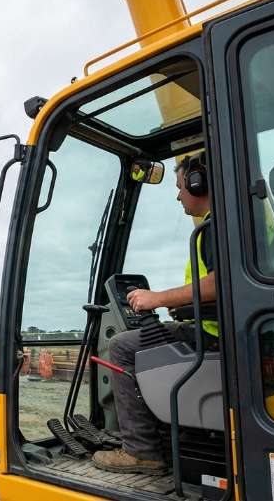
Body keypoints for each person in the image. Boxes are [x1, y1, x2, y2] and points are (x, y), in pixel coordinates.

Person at [93, 153, 217, 476]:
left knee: (121, 346)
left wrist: (157, 299)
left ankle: (141, 450)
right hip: (221, 331)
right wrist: (181, 306)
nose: (178, 195)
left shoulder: (213, 229)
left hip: (214, 338)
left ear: (197, 183)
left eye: (180, 187)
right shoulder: (230, 223)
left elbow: (218, 285)